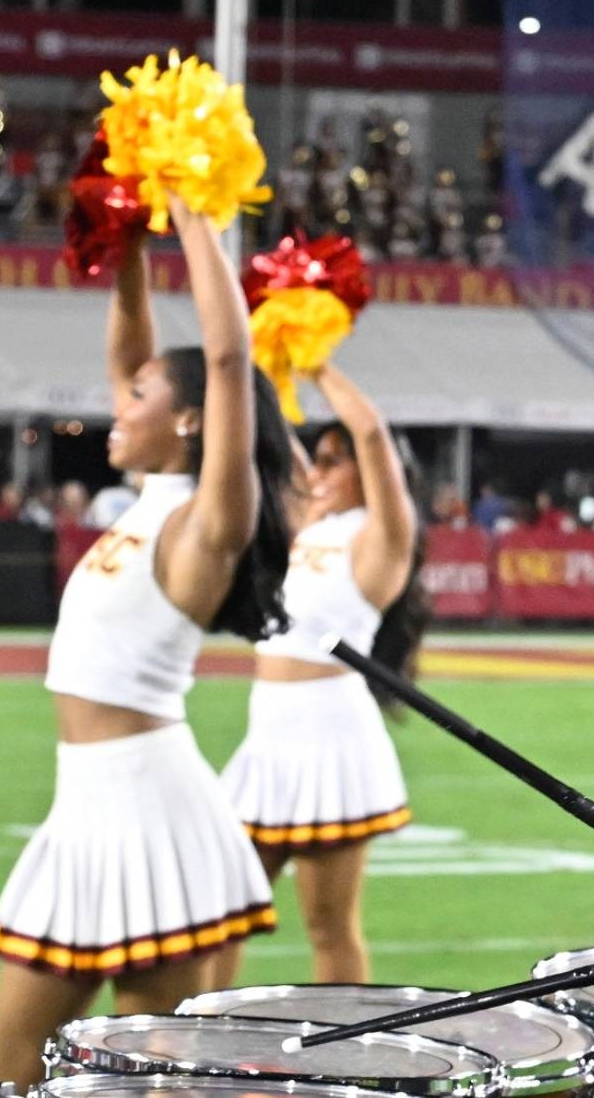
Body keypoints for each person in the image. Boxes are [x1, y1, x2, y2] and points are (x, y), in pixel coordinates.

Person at [0, 200, 293, 1090]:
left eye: (143, 397)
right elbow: (130, 349)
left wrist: (195, 213)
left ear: (193, 420)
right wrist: (125, 241)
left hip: (154, 818)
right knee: (7, 1068)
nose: (118, 405)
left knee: (152, 1077)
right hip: (83, 811)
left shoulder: (207, 521)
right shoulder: (149, 493)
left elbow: (228, 360)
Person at [214, 363, 427, 986]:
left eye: (336, 459)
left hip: (331, 742)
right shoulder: (304, 527)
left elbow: (372, 434)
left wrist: (317, 365)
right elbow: (277, 452)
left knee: (328, 926)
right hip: (268, 740)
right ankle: (198, 1034)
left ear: (368, 471)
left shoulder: (380, 536)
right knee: (222, 910)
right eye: (319, 460)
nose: (320, 471)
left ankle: (343, 1058)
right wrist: (269, 372)